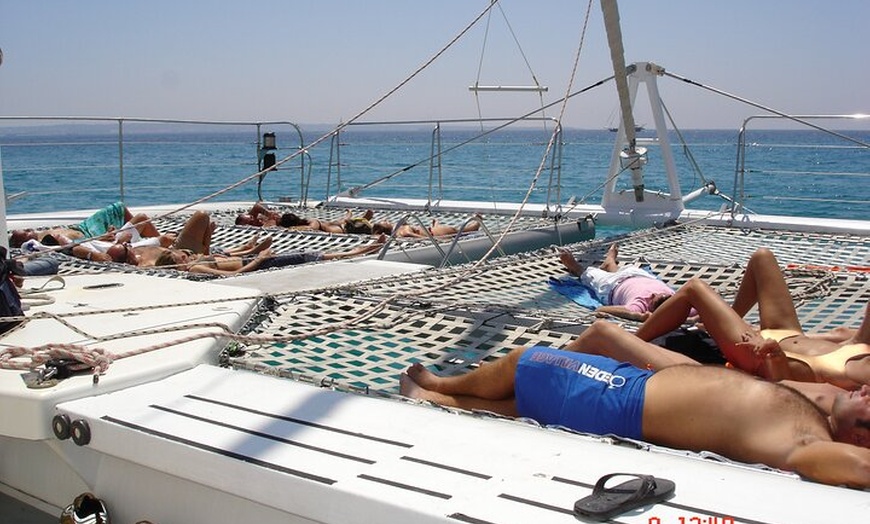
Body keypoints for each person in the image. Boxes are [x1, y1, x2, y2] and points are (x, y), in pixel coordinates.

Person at [400, 346, 870, 488]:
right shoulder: (815, 419)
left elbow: (852, 466)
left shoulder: (810, 444)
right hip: (629, 390)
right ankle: (437, 401)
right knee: (521, 404)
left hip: (622, 399)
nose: (867, 391)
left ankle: (443, 386)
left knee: (527, 361)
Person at [634, 248, 870, 389]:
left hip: (763, 355)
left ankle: (631, 340)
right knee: (762, 257)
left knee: (695, 290)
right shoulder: (863, 343)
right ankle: (727, 320)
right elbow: (843, 334)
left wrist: (774, 356)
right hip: (786, 333)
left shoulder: (860, 378)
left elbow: (796, 391)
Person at [154, 235, 385, 276]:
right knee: (305, 255)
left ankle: (356, 252)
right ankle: (357, 252)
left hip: (256, 260)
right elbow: (232, 275)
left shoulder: (195, 263)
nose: (183, 256)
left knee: (303, 254)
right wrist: (259, 258)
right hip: (258, 265)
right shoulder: (195, 269)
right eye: (179, 258)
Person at [559, 244, 677, 322]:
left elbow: (600, 310)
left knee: (589, 274)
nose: (653, 294)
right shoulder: (676, 299)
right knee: (623, 270)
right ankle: (610, 262)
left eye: (654, 299)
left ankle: (574, 266)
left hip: (612, 286)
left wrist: (637, 316)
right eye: (663, 295)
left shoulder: (638, 306)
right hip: (639, 275)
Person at [9, 202, 160, 248]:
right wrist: (103, 238)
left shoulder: (41, 234)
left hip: (84, 227)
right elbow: (76, 245)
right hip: (92, 237)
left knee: (117, 207)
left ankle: (140, 236)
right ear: (23, 241)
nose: (29, 229)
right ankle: (161, 244)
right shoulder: (45, 242)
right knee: (141, 218)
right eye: (26, 232)